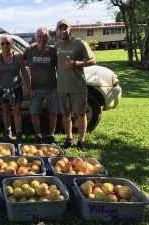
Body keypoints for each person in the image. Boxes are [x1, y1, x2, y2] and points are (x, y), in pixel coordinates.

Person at [55, 19, 96, 150]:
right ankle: (69, 138)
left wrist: (75, 63)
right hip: (62, 87)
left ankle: (81, 140)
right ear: (57, 31)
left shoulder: (79, 43)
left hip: (78, 86)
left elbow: (93, 60)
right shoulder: (56, 46)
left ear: (70, 29)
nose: (63, 30)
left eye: (65, 27)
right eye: (60, 28)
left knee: (81, 113)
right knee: (66, 114)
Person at [0, 35, 31, 142]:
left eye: (7, 43)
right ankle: (8, 131)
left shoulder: (17, 57)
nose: (5, 45)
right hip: (2, 90)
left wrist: (29, 88)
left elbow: (24, 73)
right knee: (5, 112)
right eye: (2, 43)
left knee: (17, 112)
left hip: (16, 88)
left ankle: (18, 133)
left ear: (12, 44)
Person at [23, 27, 58, 144]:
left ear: (48, 37)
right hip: (35, 88)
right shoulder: (29, 50)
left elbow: (60, 67)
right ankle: (38, 135)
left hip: (52, 88)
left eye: (44, 36)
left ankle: (51, 135)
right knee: (34, 113)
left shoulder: (53, 51)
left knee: (53, 112)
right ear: (35, 37)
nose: (42, 39)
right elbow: (19, 60)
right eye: (39, 36)